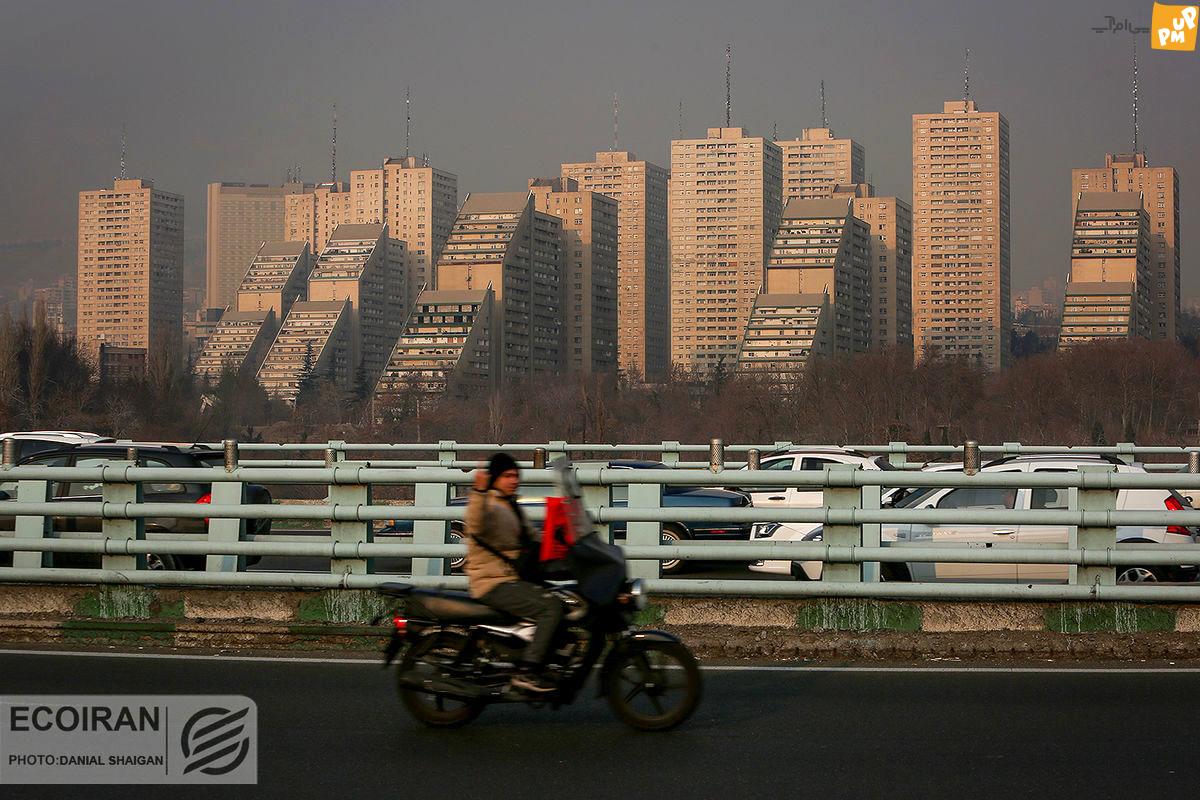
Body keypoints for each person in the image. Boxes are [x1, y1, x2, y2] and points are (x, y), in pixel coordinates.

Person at [465, 452, 565, 694]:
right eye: (507, 476)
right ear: (495, 478)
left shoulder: (509, 504)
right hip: (493, 582)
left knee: (562, 599)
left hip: (511, 578)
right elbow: (475, 524)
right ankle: (527, 672)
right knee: (550, 608)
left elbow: (533, 538)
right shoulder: (489, 504)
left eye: (516, 476)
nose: (514, 480)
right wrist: (478, 491)